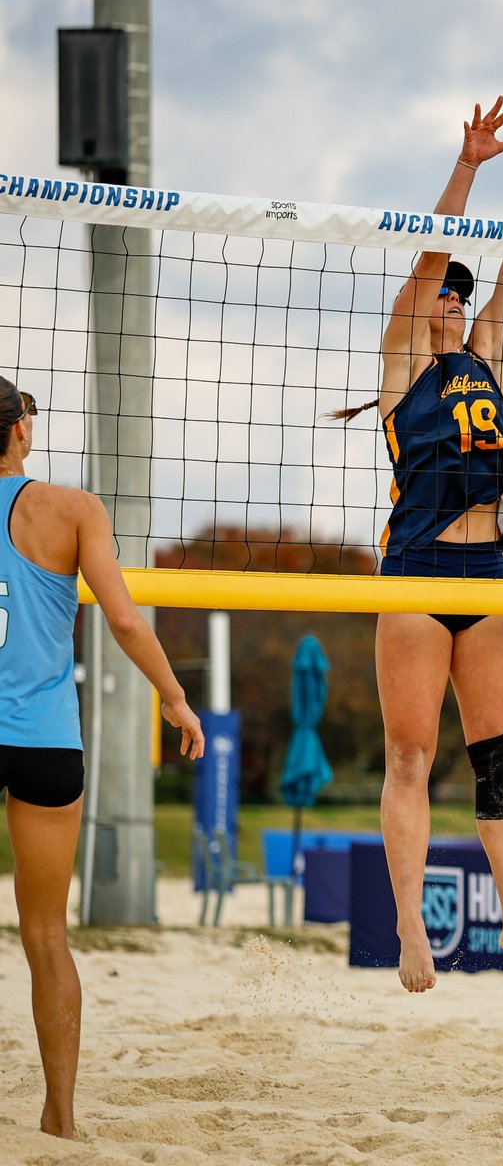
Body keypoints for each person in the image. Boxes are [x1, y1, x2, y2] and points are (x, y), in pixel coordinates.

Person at [334, 96, 503, 993]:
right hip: (415, 573)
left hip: (488, 574)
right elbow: (431, 254)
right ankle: (411, 926)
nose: (455, 297)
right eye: (446, 289)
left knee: (501, 759)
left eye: (461, 294)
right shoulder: (404, 365)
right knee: (409, 756)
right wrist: (469, 164)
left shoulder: (489, 357)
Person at [0, 377, 204, 1139]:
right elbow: (124, 621)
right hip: (45, 740)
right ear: (21, 430)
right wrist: (175, 699)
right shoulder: (75, 508)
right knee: (46, 937)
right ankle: (59, 1118)